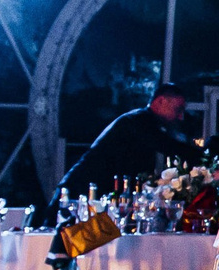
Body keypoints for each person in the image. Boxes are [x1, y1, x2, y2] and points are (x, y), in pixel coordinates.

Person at [57, 84, 208, 197]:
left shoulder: (143, 122)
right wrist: (208, 160)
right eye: (178, 109)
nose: (180, 117)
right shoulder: (138, 121)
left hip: (91, 192)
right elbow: (169, 146)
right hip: (79, 193)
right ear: (161, 101)